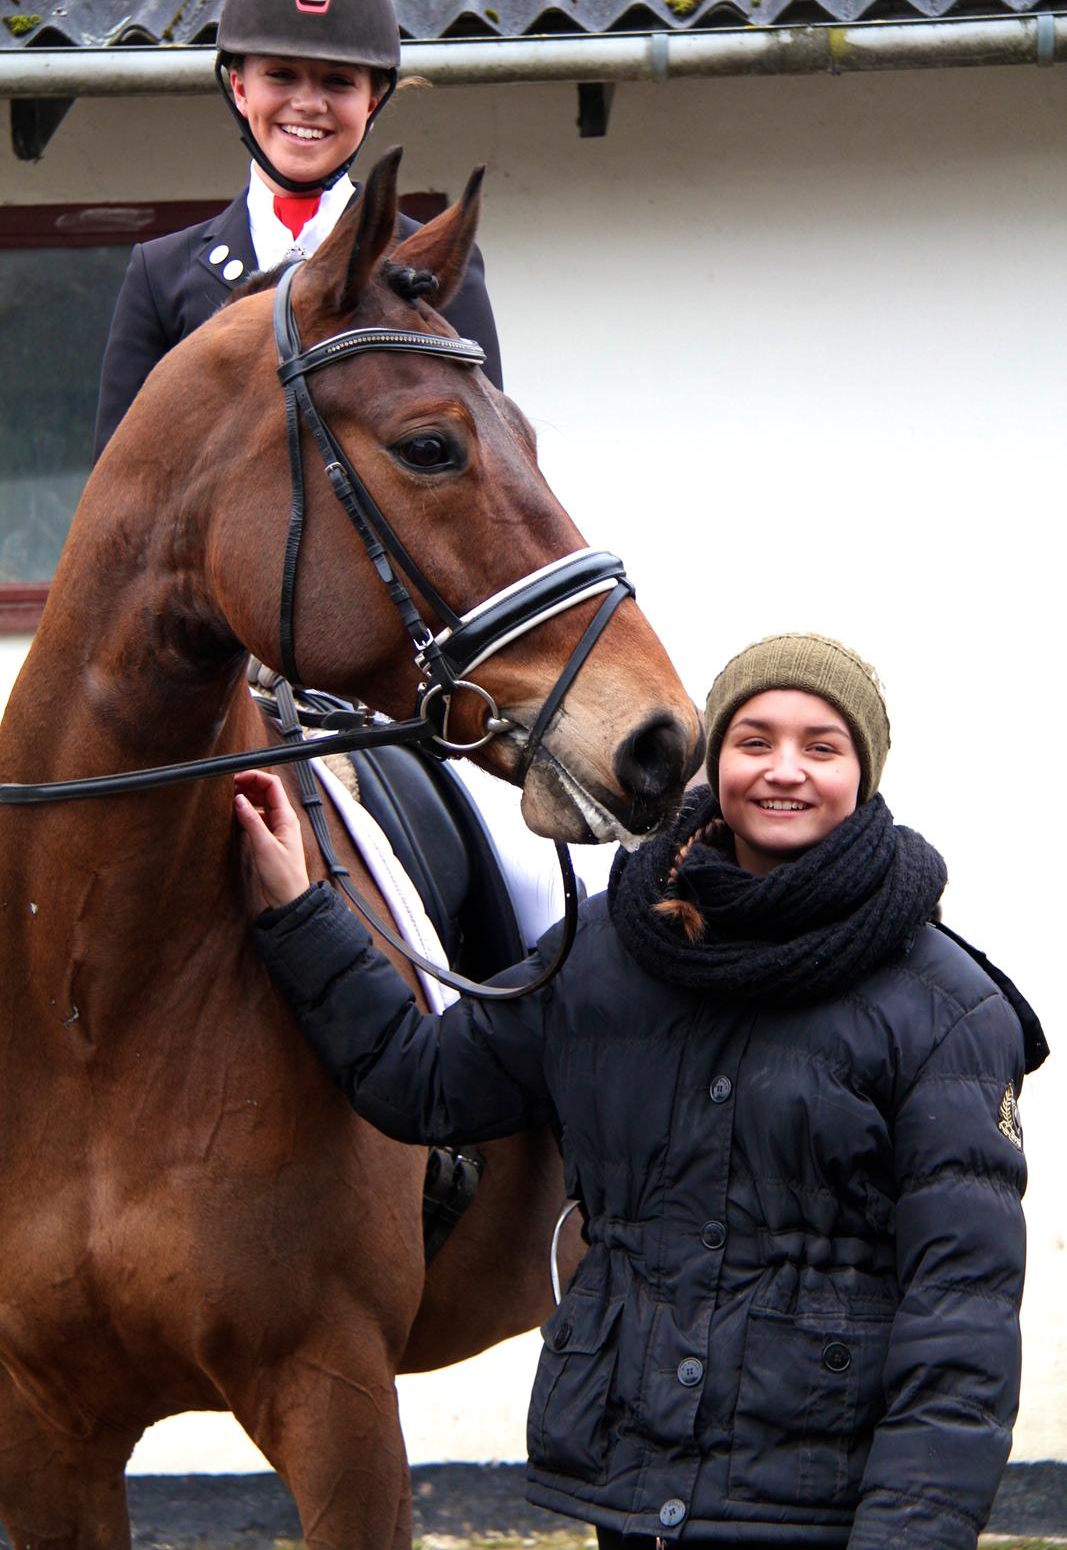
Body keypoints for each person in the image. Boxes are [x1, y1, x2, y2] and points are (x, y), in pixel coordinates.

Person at [234, 632, 1047, 1550]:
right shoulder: (607, 956)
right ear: (715, 765)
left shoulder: (945, 1011)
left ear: (864, 774)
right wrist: (301, 915)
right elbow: (418, 1082)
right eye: (753, 741)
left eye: (821, 747)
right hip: (634, 1499)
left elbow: (961, 1318)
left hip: (824, 1516)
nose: (783, 770)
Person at [92, 0, 502, 460]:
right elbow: (123, 489)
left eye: (339, 81)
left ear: (371, 102)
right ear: (240, 88)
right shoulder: (160, 275)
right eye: (281, 75)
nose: (309, 103)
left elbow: (485, 465)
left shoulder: (427, 269)